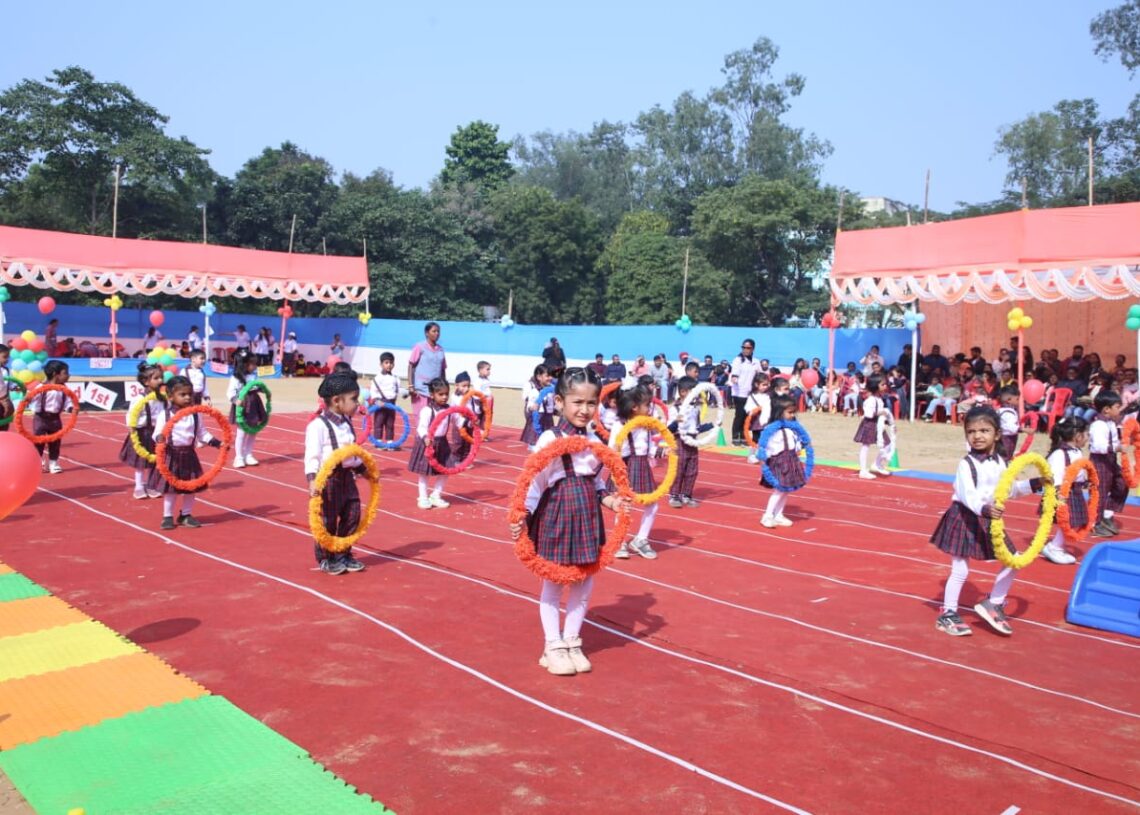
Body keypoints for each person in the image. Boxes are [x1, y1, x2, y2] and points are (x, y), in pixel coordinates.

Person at [509, 367, 631, 676]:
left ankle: (572, 640)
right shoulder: (550, 438)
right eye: (577, 402)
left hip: (587, 518)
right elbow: (534, 482)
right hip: (558, 516)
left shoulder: (594, 442)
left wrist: (613, 501)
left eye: (591, 403)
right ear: (561, 402)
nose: (584, 410)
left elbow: (598, 485)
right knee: (554, 581)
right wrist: (520, 515)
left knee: (584, 581)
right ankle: (553, 645)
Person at [930, 405, 1035, 637]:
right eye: (971, 431)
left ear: (997, 434)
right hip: (966, 517)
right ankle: (948, 613)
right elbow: (968, 494)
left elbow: (1010, 490)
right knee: (960, 569)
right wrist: (984, 509)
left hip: (989, 518)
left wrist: (1034, 485)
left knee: (1013, 560)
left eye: (984, 430)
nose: (977, 436)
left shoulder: (1001, 462)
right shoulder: (966, 464)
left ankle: (994, 602)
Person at [304, 372, 368, 574]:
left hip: (347, 478)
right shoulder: (318, 426)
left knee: (353, 514)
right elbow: (312, 456)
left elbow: (351, 452)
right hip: (328, 481)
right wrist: (313, 481)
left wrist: (364, 469)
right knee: (328, 520)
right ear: (337, 401)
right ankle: (326, 558)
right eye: (354, 399)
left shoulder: (347, 422)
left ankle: (343, 553)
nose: (357, 404)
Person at [151, 376, 223, 530]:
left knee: (191, 487)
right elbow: (157, 433)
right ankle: (167, 516)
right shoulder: (166, 415)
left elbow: (202, 433)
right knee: (171, 489)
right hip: (172, 455)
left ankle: (186, 514)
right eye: (182, 394)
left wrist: (217, 443)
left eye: (189, 394)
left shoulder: (196, 414)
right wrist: (160, 438)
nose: (187, 397)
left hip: (189, 455)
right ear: (170, 396)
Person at [609, 384, 662, 560]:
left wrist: (660, 451)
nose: (650, 408)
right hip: (626, 466)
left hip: (642, 466)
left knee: (652, 504)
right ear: (634, 407)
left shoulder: (648, 424)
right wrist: (617, 471)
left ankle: (641, 539)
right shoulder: (620, 425)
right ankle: (620, 541)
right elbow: (613, 450)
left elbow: (650, 444)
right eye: (646, 405)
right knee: (624, 505)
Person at [1042, 417, 1089, 565]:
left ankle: (1057, 546)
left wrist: (1085, 481)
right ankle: (1054, 547)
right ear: (1077, 436)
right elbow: (1055, 475)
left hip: (1074, 491)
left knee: (1075, 520)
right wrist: (1059, 496)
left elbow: (1078, 470)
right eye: (1086, 434)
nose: (1088, 438)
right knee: (1068, 521)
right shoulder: (1060, 454)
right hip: (1063, 493)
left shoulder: (1077, 452)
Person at [120, 363, 166, 498]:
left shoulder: (162, 398)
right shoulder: (139, 399)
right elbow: (131, 415)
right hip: (142, 432)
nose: (160, 381)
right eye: (156, 378)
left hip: (157, 433)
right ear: (146, 382)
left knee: (157, 460)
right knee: (141, 461)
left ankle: (152, 486)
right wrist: (132, 430)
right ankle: (139, 486)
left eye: (161, 378)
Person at [758, 396, 805, 528]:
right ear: (779, 413)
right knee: (779, 489)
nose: (792, 415)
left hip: (790, 460)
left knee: (786, 489)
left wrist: (798, 448)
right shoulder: (772, 430)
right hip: (779, 462)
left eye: (793, 412)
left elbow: (795, 441)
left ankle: (778, 515)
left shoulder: (791, 428)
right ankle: (767, 515)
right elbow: (768, 448)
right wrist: (765, 465)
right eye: (789, 412)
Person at [407, 377, 452, 509]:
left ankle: (436, 495)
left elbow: (458, 420)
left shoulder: (449, 410)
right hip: (428, 443)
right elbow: (421, 427)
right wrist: (425, 436)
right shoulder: (427, 410)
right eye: (441, 394)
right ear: (432, 395)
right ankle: (423, 496)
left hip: (442, 443)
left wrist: (469, 421)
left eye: (446, 394)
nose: (444, 397)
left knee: (446, 470)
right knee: (424, 472)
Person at [1089, 391, 1127, 538]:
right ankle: (1095, 523)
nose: (1119, 410)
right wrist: (1115, 448)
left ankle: (1107, 513)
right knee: (1100, 491)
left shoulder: (1111, 423)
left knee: (1122, 482)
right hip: (1100, 461)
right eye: (1117, 407)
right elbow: (1098, 446)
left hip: (1111, 460)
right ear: (1106, 409)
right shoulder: (1098, 425)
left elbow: (1116, 440)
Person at [29, 361, 72, 474]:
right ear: (55, 374)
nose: (68, 375)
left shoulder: (64, 389)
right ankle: (37, 462)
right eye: (65, 373)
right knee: (39, 441)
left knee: (55, 442)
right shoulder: (41, 388)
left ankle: (53, 463)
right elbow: (32, 399)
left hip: (55, 419)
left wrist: (71, 408)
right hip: (41, 418)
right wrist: (29, 401)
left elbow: (68, 401)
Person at [227, 350, 266, 469]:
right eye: (252, 364)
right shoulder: (236, 377)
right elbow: (230, 392)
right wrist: (235, 400)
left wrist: (261, 389)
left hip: (254, 403)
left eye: (255, 364)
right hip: (243, 405)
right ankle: (238, 457)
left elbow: (256, 386)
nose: (254, 366)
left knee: (253, 430)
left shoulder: (253, 375)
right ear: (243, 364)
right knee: (242, 432)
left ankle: (248, 454)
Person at [668, 376, 701, 508]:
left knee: (692, 470)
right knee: (678, 469)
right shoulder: (674, 409)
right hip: (679, 441)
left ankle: (687, 494)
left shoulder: (695, 409)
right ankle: (674, 495)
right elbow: (668, 429)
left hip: (692, 442)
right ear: (683, 392)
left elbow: (697, 427)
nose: (695, 395)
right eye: (692, 391)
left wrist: (712, 426)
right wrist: (677, 422)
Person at [855, 375, 892, 479]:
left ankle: (877, 464)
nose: (885, 386)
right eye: (882, 384)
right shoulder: (871, 399)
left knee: (887, 444)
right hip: (870, 424)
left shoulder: (878, 398)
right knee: (865, 446)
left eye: (885, 384)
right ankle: (863, 470)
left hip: (878, 425)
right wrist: (883, 412)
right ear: (875, 386)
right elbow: (869, 414)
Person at [407, 322, 446, 415]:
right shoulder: (419, 347)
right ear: (426, 333)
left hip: (435, 390)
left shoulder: (440, 349)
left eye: (438, 331)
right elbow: (411, 366)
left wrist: (444, 387)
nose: (437, 333)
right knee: (422, 419)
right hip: (421, 390)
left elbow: (443, 369)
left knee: (434, 419)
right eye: (434, 331)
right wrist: (411, 386)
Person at [729, 339, 762, 445]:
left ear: (753, 349)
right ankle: (735, 436)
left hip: (750, 393)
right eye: (743, 347)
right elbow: (734, 374)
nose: (745, 350)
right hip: (739, 392)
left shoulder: (756, 362)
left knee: (748, 416)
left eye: (748, 348)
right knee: (739, 415)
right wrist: (734, 379)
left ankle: (744, 436)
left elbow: (760, 375)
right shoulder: (738, 360)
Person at [368, 352, 404, 448]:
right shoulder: (377, 378)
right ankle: (378, 442)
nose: (389, 365)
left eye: (391, 363)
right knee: (378, 423)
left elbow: (399, 390)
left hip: (391, 405)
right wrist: (377, 401)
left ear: (394, 364)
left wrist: (405, 393)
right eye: (386, 362)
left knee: (390, 423)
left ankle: (389, 442)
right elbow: (373, 391)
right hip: (380, 404)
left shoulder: (396, 378)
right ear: (381, 364)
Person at [742, 373, 771, 462]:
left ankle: (764, 454)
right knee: (756, 438)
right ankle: (752, 455)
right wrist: (753, 410)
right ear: (756, 384)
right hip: (756, 421)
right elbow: (747, 407)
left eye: (767, 384)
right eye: (763, 385)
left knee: (766, 438)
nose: (765, 387)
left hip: (766, 420)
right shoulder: (752, 396)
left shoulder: (768, 395)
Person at [448, 372, 474, 466]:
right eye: (463, 386)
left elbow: (472, 408)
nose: (466, 388)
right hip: (459, 423)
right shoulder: (455, 397)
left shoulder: (470, 396)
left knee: (467, 442)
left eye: (468, 386)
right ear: (457, 385)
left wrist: (473, 418)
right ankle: (455, 459)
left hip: (469, 423)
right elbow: (456, 409)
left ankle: (465, 459)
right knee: (458, 443)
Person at [997, 386, 1020, 459]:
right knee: (1006, 456)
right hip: (1007, 439)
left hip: (1001, 437)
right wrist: (1023, 429)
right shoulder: (1008, 413)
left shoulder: (1001, 410)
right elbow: (1010, 427)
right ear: (1009, 400)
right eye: (1017, 399)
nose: (1018, 401)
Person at [0, 345, 11, 432]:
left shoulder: (5, 369)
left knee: (4, 425)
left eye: (8, 357)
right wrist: (4, 400)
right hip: (2, 400)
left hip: (3, 400)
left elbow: (4, 385)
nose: (7, 359)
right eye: (5, 357)